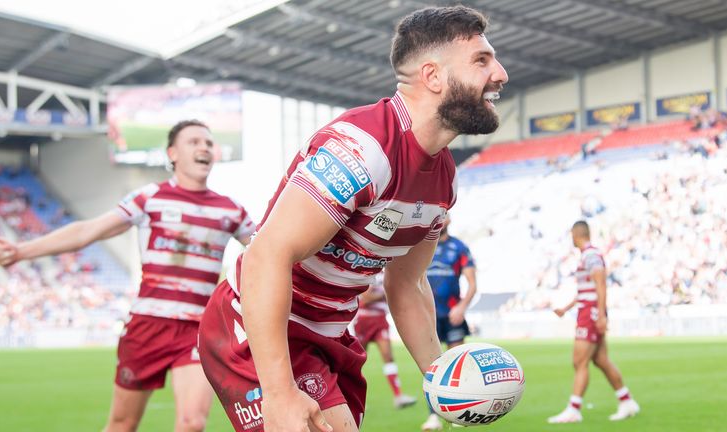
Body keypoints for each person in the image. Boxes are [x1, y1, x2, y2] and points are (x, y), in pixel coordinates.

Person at [196, 5, 508, 432]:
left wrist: (442, 378)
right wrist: (280, 392)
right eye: (482, 60)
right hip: (260, 325)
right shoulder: (364, 148)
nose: (501, 73)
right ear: (433, 76)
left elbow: (408, 284)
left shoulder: (444, 180)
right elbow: (266, 254)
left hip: (333, 334)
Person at [0, 120, 255, 432]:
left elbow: (268, 250)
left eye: (208, 143)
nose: (204, 147)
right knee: (122, 423)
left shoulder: (231, 210)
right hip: (147, 326)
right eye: (194, 142)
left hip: (197, 328)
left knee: (192, 422)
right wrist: (23, 251)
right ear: (172, 153)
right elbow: (87, 231)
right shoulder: (149, 198)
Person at [547, 220, 639, 424]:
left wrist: (600, 314)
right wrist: (566, 308)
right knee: (601, 360)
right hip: (588, 311)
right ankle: (627, 401)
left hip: (591, 314)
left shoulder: (591, 255)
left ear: (576, 234)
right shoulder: (587, 256)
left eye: (571, 235)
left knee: (579, 361)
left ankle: (574, 409)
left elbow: (601, 284)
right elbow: (585, 290)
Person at [421, 213, 478, 431]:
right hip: (428, 315)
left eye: (445, 216)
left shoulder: (459, 248)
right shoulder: (422, 245)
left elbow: (472, 284)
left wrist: (461, 307)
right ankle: (433, 415)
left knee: (457, 366)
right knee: (432, 366)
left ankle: (458, 414)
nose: (441, 219)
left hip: (452, 314)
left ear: (450, 221)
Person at [352, 271, 418, 409]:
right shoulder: (369, 271)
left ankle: (398, 396)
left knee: (388, 357)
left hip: (380, 320)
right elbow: (366, 298)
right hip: (364, 320)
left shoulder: (387, 275)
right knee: (356, 360)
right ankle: (351, 397)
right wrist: (385, 294)